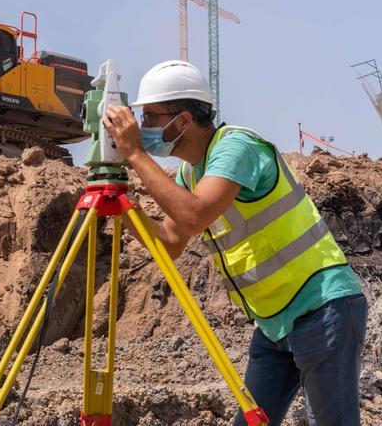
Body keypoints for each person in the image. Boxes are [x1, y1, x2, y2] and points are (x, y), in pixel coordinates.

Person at [102, 60, 367, 426]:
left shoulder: (238, 147)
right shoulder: (192, 171)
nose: (142, 127)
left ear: (182, 121)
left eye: (149, 117)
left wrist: (135, 154)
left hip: (322, 307)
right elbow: (170, 242)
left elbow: (194, 215)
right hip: (273, 323)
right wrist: (120, 204)